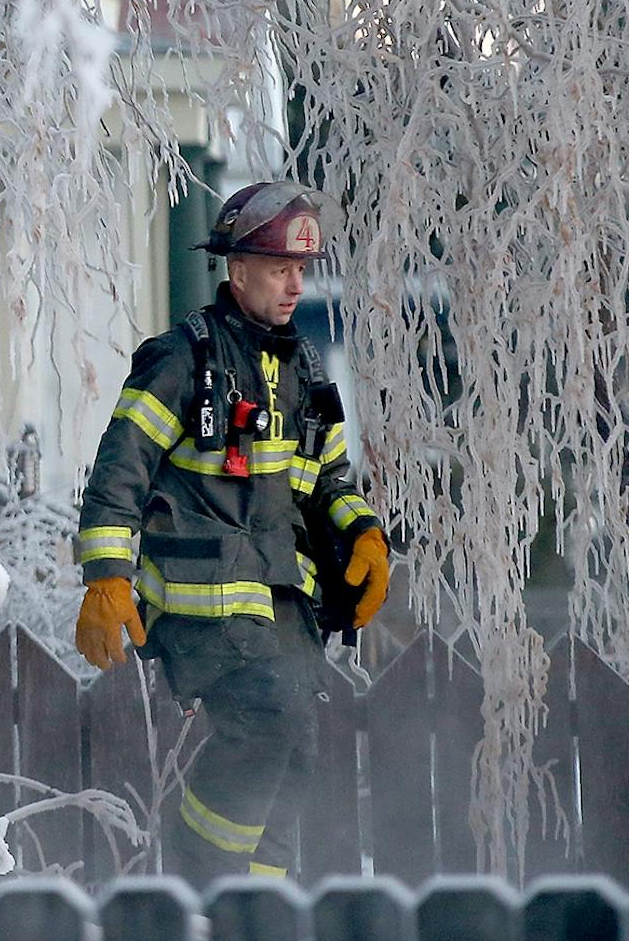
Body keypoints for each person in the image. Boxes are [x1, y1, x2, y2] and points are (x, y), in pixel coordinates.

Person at [72, 180, 390, 884]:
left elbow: (329, 480)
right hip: (202, 605)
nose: (293, 285)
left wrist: (365, 535)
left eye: (301, 271)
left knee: (296, 745)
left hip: (281, 604)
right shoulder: (181, 358)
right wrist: (105, 576)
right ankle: (200, 881)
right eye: (280, 269)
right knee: (267, 721)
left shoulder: (304, 369)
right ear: (236, 268)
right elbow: (119, 468)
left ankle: (256, 906)